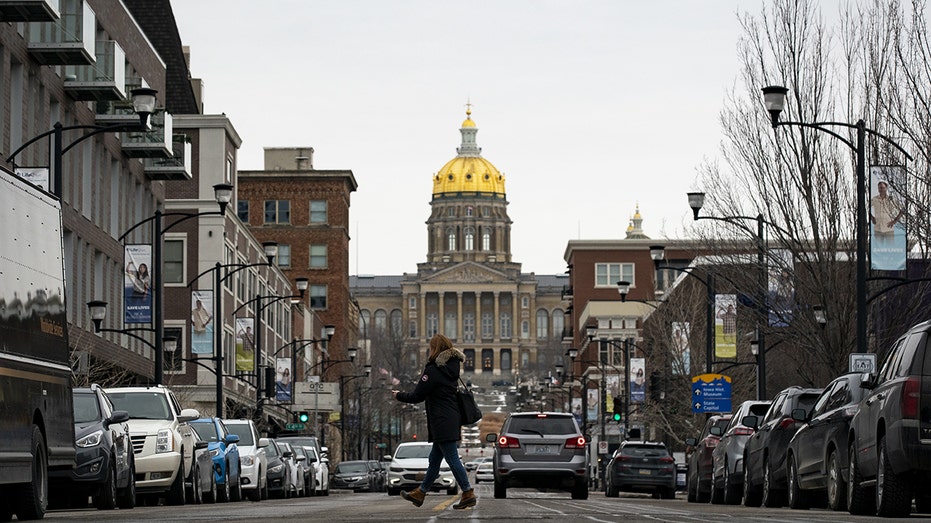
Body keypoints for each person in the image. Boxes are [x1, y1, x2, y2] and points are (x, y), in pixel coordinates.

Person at [392, 334, 476, 510]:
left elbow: (417, 395)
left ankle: (468, 492)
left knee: (452, 458)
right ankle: (421, 492)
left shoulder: (433, 370)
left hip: (441, 420)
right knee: (434, 459)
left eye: (431, 347)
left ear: (435, 349)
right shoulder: (452, 368)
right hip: (450, 418)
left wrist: (399, 395)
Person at [870, 179, 904, 246]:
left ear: (886, 188)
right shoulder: (874, 199)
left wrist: (894, 221)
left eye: (882, 188)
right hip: (878, 229)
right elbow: (865, 207)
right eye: (879, 188)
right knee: (878, 250)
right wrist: (871, 217)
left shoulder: (891, 199)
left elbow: (902, 210)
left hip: (889, 229)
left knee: (891, 249)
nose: (881, 189)